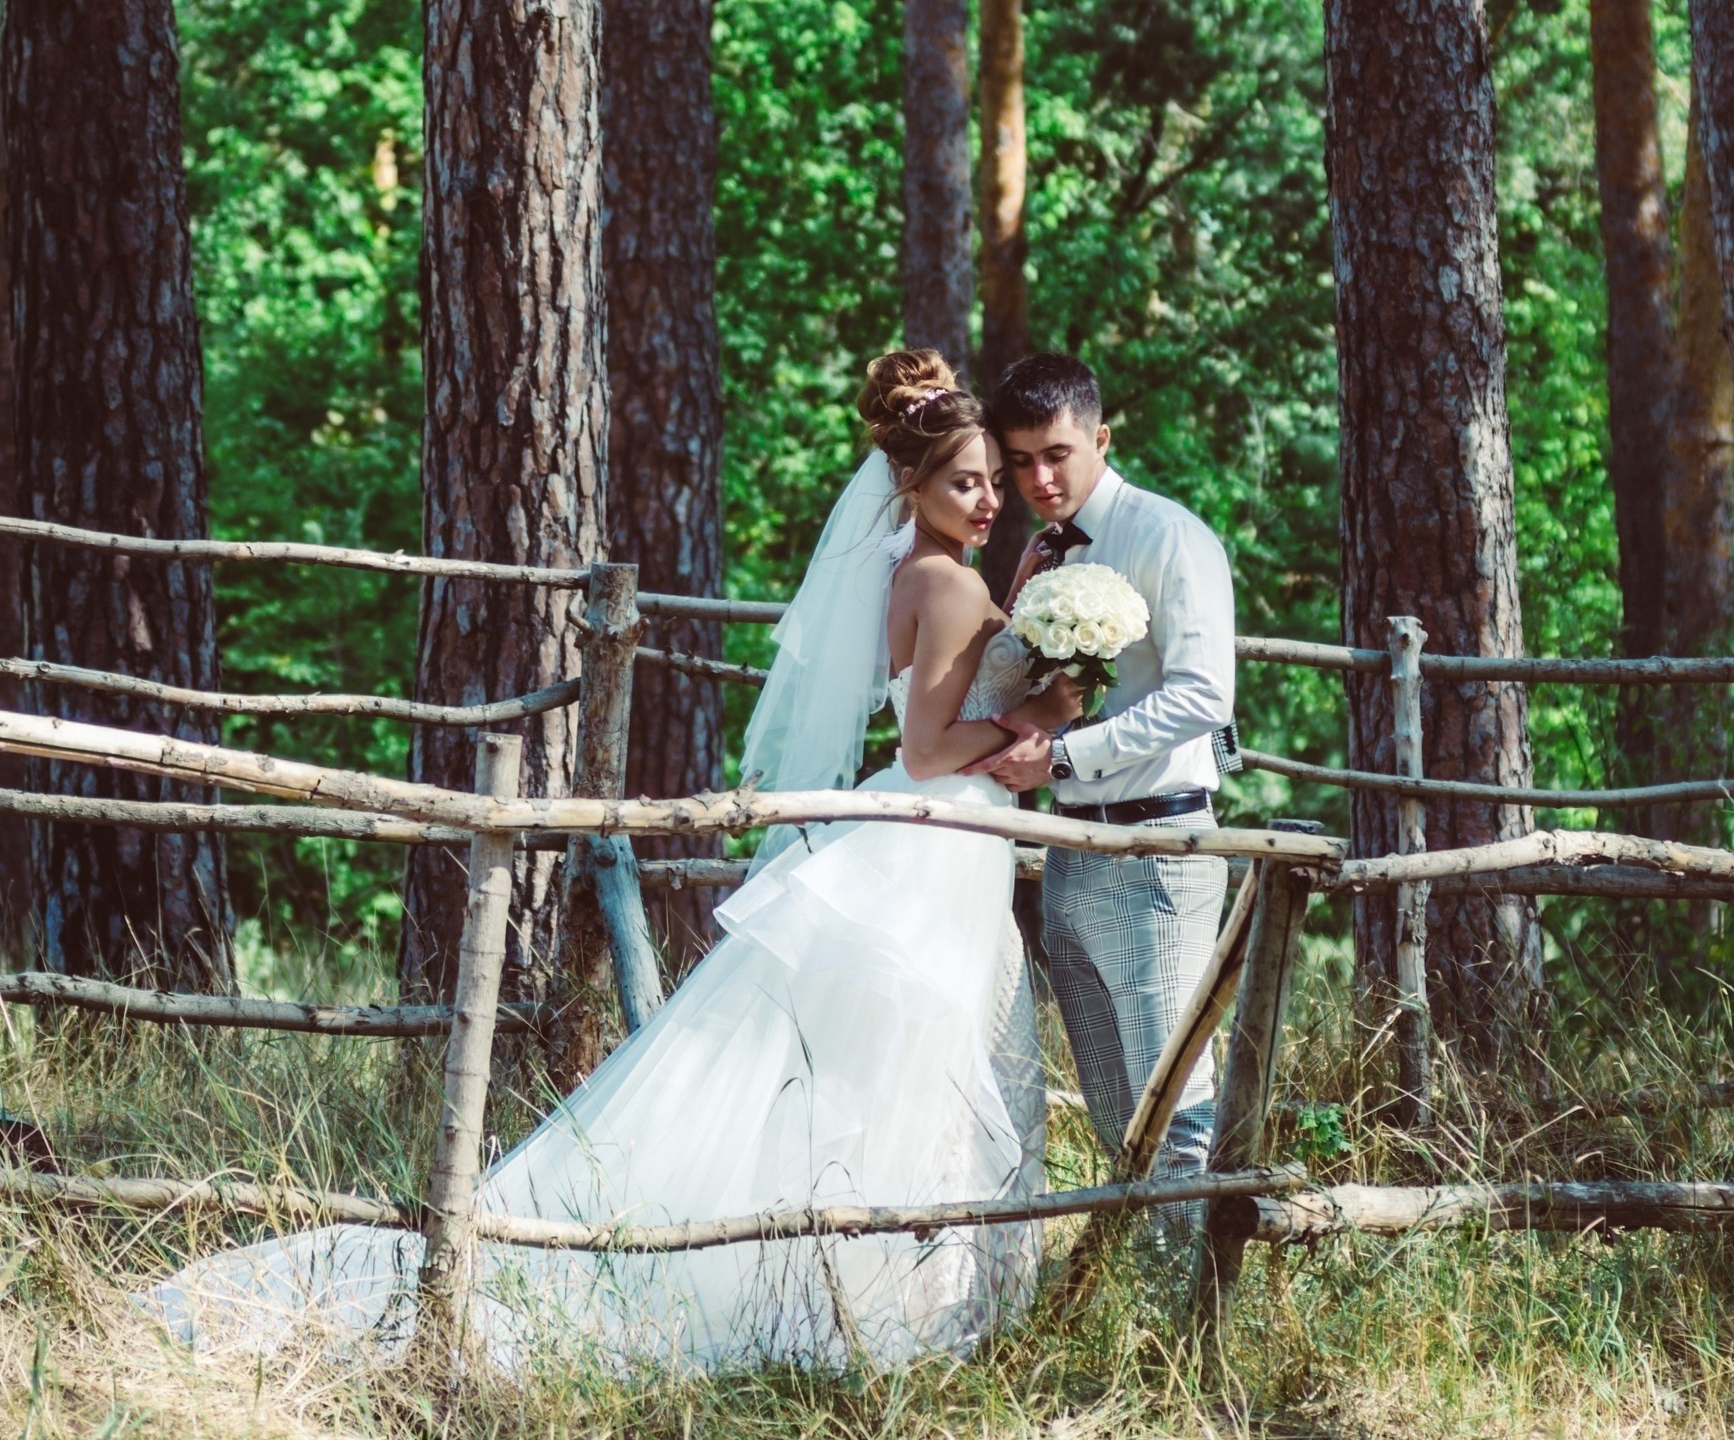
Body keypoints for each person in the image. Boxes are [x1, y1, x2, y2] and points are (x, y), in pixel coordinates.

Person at [140, 350, 1072, 1372]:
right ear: (911, 485)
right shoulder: (939, 581)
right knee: (896, 1065)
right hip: (928, 840)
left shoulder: (932, 569)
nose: (987, 499)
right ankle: (872, 1298)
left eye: (991, 480)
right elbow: (928, 748)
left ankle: (875, 1280)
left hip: (938, 841)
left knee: (880, 1065)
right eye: (964, 481)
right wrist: (1037, 713)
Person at [966, 352, 1239, 1249]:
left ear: (1101, 438)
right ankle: (1138, 1328)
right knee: (1116, 1117)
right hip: (1073, 855)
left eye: (1057, 454)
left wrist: (1068, 756)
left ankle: (1197, 1337)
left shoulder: (1169, 537)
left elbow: (1205, 694)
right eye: (1020, 461)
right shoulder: (1042, 554)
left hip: (1160, 850)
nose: (1039, 479)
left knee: (1177, 1108)